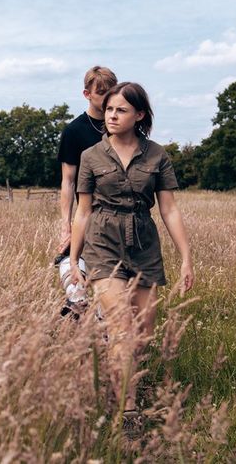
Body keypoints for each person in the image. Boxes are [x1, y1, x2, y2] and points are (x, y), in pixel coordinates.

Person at [69, 81, 194, 416]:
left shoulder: (156, 155)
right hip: (102, 242)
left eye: (121, 110)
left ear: (139, 114)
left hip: (143, 244)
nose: (112, 115)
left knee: (142, 332)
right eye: (109, 109)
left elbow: (168, 209)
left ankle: (121, 383)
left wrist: (185, 259)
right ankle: (125, 410)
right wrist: (73, 257)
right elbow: (83, 211)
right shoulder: (91, 156)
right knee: (121, 323)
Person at [55, 66, 118, 316]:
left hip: (115, 212)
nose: (107, 98)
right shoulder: (74, 131)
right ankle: (77, 303)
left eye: (111, 92)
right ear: (87, 94)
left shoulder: (121, 126)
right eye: (101, 92)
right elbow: (67, 181)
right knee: (68, 257)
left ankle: (105, 329)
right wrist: (65, 225)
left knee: (111, 273)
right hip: (86, 209)